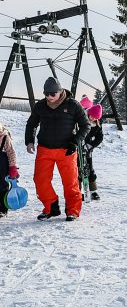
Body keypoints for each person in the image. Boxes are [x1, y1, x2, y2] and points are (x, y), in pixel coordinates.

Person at [25, 77, 90, 221]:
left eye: (52, 94)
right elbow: (31, 124)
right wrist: (29, 141)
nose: (49, 97)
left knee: (70, 182)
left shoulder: (73, 105)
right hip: (44, 149)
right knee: (40, 180)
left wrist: (75, 142)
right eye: (46, 94)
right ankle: (51, 208)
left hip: (66, 149)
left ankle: (72, 210)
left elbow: (86, 125)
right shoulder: (41, 106)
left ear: (60, 92)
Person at [83, 104, 104, 200]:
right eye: (92, 116)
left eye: (95, 118)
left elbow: (99, 138)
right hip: (77, 147)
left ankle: (93, 191)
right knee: (78, 169)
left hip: (88, 149)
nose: (93, 119)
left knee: (90, 169)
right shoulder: (81, 119)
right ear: (88, 113)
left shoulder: (97, 125)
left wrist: (91, 145)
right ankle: (78, 191)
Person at [0, 121, 20, 219]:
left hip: (2, 166)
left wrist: (13, 167)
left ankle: (2, 209)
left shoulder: (4, 137)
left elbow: (11, 153)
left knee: (2, 186)